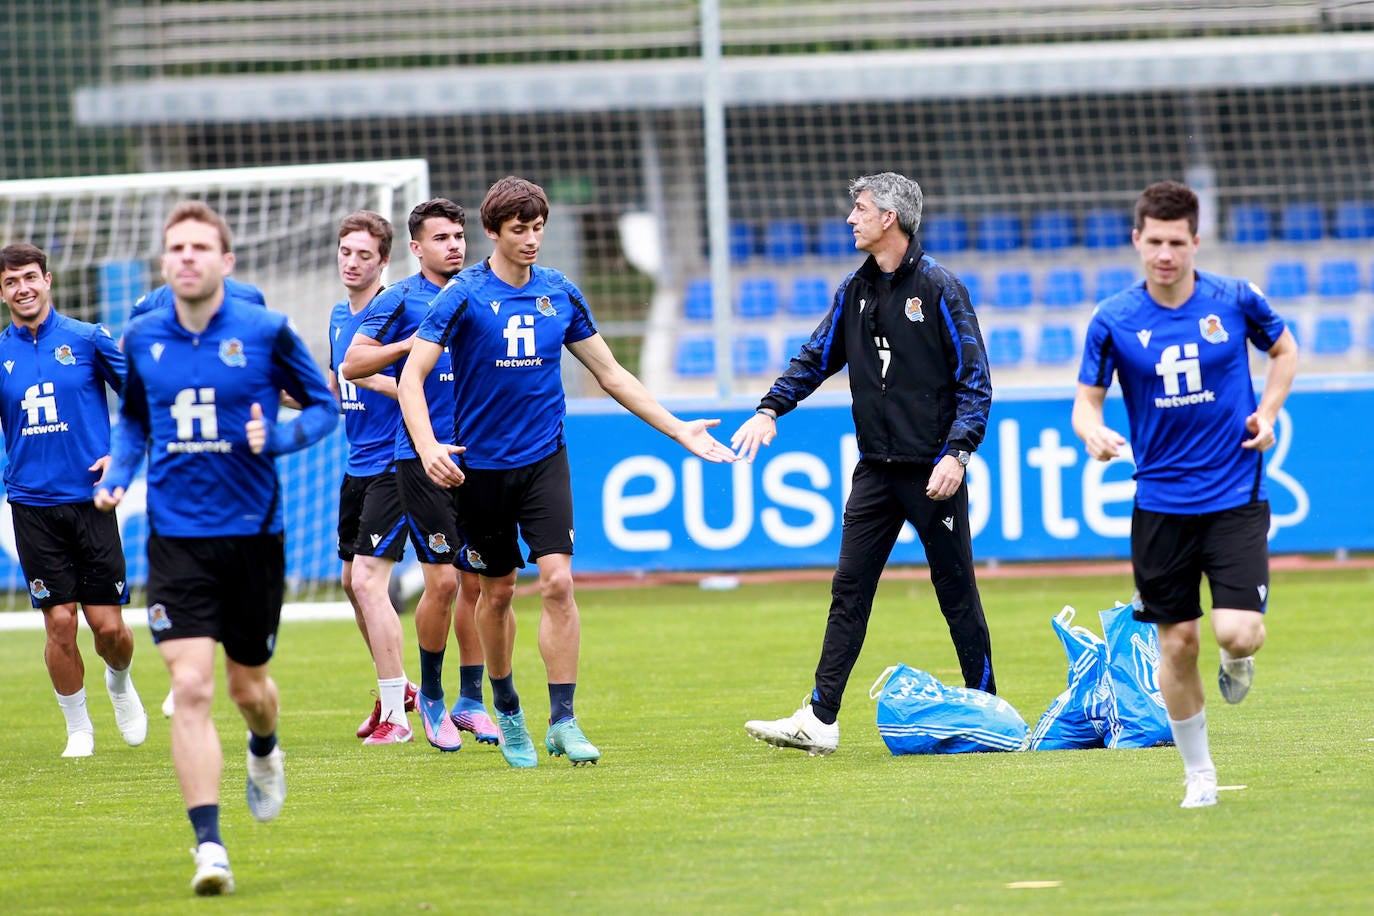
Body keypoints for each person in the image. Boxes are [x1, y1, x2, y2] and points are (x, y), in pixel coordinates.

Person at [398, 176, 737, 768]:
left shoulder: (560, 292)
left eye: (537, 228)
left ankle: (564, 719)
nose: (531, 240)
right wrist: (427, 446)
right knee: (497, 592)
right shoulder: (462, 295)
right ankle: (506, 709)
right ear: (493, 232)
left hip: (543, 461)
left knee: (558, 580)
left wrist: (679, 428)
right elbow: (411, 377)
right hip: (479, 469)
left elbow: (613, 375)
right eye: (518, 230)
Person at [95, 201, 339, 895]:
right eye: (177, 248)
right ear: (165, 262)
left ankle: (265, 749)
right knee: (192, 686)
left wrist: (279, 439)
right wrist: (118, 474)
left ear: (226, 262)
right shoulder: (141, 336)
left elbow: (322, 406)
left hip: (254, 537)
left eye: (202, 247)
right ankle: (210, 847)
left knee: (248, 688)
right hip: (176, 539)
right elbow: (134, 421)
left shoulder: (266, 329)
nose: (188, 257)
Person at [732, 171, 995, 757]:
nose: (850, 218)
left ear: (890, 219)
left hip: (933, 472)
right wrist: (770, 408)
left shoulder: (941, 288)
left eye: (860, 208)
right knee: (849, 588)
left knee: (956, 592)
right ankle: (820, 718)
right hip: (875, 472)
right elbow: (816, 356)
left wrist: (957, 452)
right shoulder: (854, 290)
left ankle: (990, 710)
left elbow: (976, 383)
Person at [1071, 180, 1297, 808]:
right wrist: (1093, 435)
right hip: (1160, 502)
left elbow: (1284, 350)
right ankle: (1200, 774)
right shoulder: (1113, 318)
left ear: (1195, 241)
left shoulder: (1235, 299)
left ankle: (1236, 663)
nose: (1165, 253)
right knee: (1177, 642)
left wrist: (1269, 412)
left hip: (1233, 492)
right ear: (1136, 240)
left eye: (1177, 242)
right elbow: (1084, 406)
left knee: (1239, 634)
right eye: (1154, 241)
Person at [341, 198, 499, 751]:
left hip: (484, 455)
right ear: (415, 248)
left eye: (459, 236)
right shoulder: (401, 298)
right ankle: (428, 697)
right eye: (441, 238)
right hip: (420, 455)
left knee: (479, 583)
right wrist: (416, 343)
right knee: (443, 581)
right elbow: (353, 364)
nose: (454, 245)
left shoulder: (485, 291)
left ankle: (471, 702)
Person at [0, 243, 147, 758]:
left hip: (92, 502)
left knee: (108, 627)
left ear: (48, 280)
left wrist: (118, 455)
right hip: (31, 504)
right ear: (2, 291)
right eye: (12, 281)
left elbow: (140, 400)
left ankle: (121, 682)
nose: (23, 288)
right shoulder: (1, 354)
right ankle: (78, 729)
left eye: (30, 278)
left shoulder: (87, 339)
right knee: (59, 620)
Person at [326, 209, 424, 745]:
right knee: (350, 583)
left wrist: (368, 372)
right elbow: (336, 385)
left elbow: (414, 382)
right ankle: (400, 688)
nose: (353, 262)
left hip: (395, 461)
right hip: (356, 463)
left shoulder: (398, 312)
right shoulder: (341, 316)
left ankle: (398, 718)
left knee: (367, 581)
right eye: (346, 252)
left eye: (365, 254)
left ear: (384, 261)